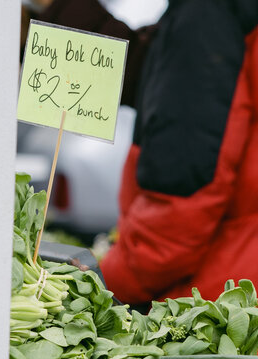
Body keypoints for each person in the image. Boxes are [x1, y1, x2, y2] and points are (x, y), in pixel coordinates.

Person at [35, 0, 258, 304]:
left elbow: (175, 217)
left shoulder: (207, 13)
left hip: (219, 298)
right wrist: (49, 18)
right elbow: (165, 75)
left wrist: (100, 289)